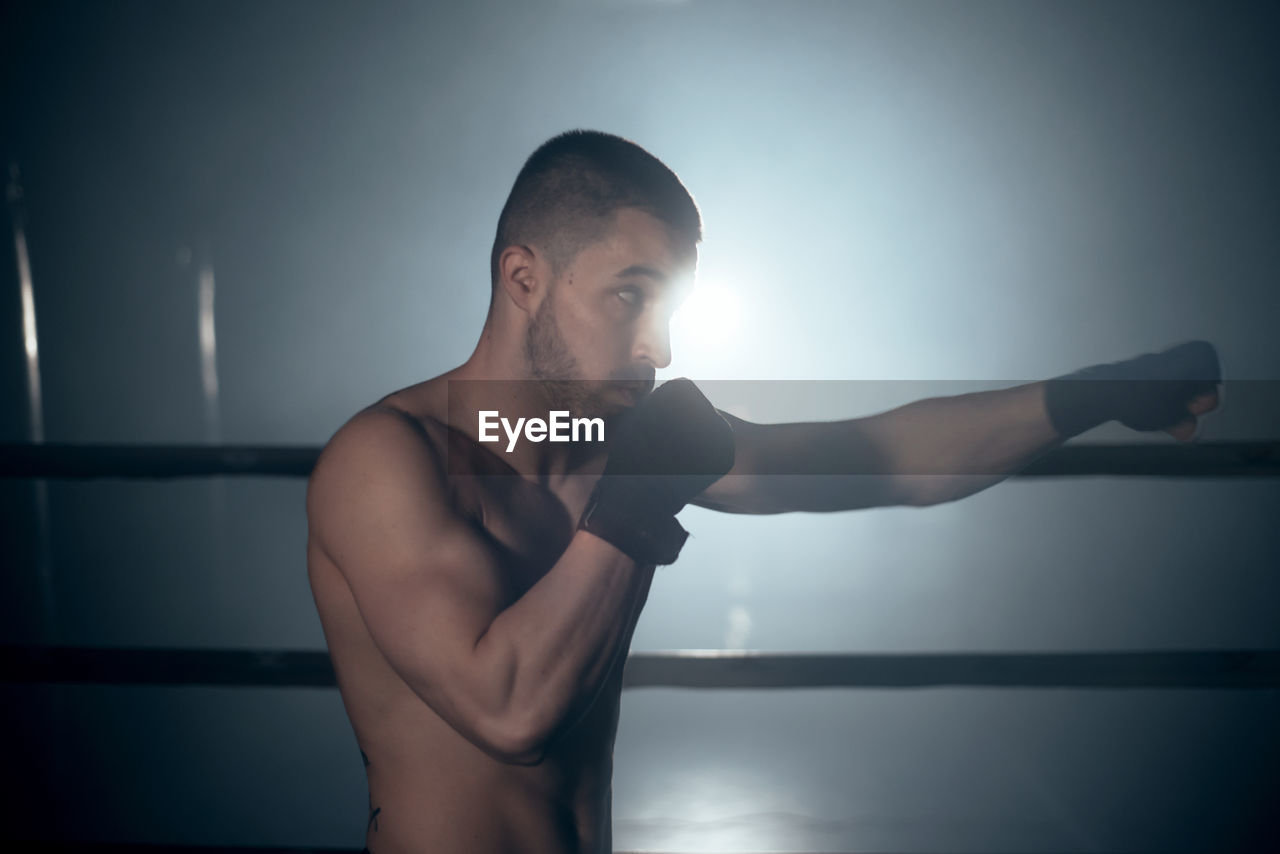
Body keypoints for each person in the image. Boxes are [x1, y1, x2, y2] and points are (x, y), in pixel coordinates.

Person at [304, 129, 1222, 854]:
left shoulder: (598, 438)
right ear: (523, 279)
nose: (660, 351)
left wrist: (1092, 395)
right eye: (630, 297)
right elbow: (509, 710)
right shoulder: (386, 461)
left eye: (669, 312)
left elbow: (884, 456)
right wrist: (638, 498)